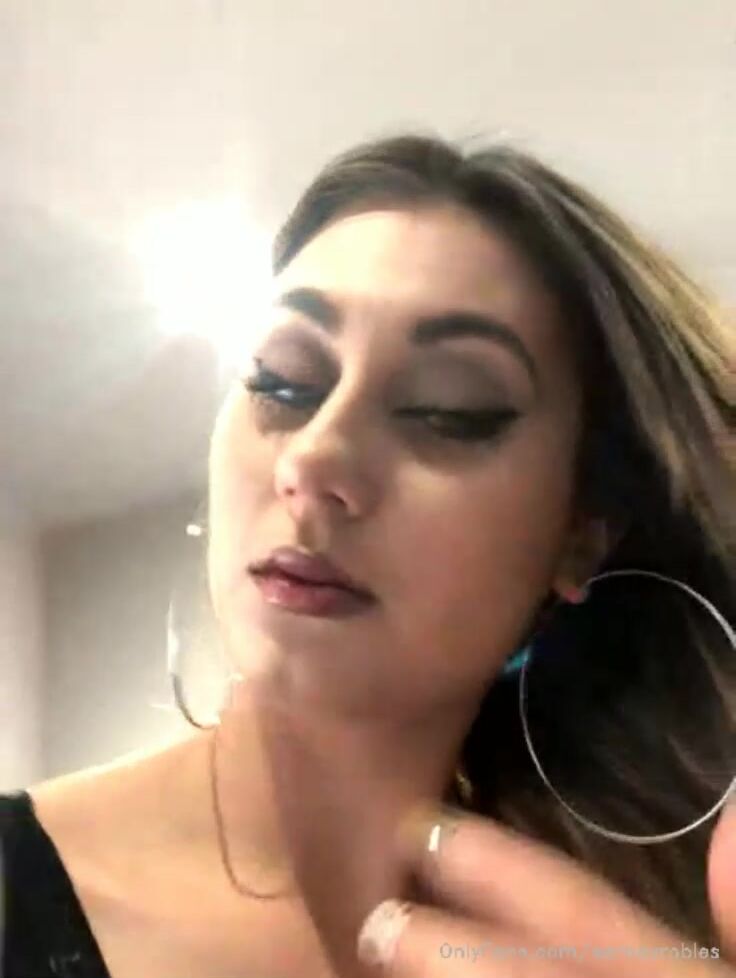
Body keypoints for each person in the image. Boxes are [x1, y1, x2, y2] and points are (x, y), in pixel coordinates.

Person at [1, 132, 734, 978]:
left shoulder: (651, 932)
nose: (313, 458)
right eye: (282, 380)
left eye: (447, 409)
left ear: (579, 537)